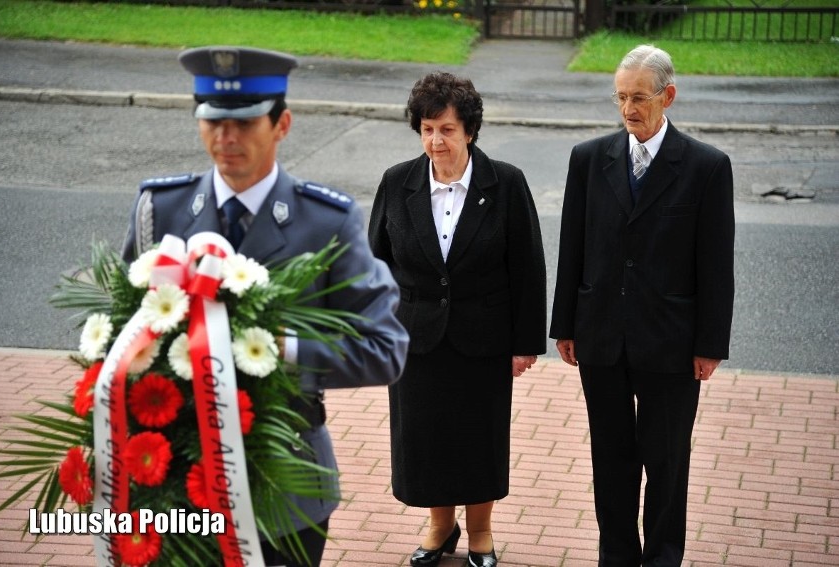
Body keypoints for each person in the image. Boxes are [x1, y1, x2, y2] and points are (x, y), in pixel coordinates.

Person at [120, 46, 409, 567]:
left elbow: (385, 349)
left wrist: (281, 348)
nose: (225, 138)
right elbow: (122, 334)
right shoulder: (159, 211)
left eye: (245, 122)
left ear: (282, 125)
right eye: (212, 121)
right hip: (177, 481)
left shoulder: (326, 223)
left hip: (286, 484)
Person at [549, 44, 735, 566]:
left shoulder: (706, 167)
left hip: (671, 344)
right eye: (620, 98)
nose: (629, 109)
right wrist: (566, 324)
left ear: (668, 96)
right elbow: (574, 247)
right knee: (611, 459)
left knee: (667, 460)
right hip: (602, 337)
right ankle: (617, 556)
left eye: (639, 98)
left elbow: (716, 267)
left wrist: (710, 345)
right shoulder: (588, 160)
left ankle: (661, 558)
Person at [368, 71, 547, 567]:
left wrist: (524, 342)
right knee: (425, 437)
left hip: (483, 338)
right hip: (415, 337)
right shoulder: (396, 182)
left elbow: (528, 267)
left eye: (446, 129)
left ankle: (481, 532)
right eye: (427, 128)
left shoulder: (505, 183)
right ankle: (439, 525)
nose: (435, 140)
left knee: (478, 437)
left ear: (469, 130)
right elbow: (375, 264)